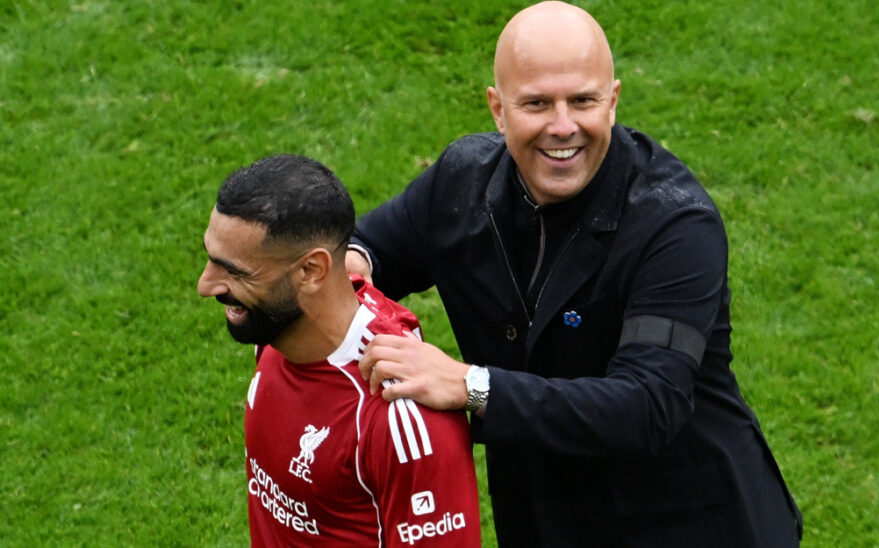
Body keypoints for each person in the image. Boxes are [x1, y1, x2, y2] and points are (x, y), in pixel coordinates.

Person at [348, 2, 803, 547]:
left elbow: (648, 405)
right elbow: (366, 248)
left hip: (689, 525)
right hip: (545, 522)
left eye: (583, 101)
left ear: (613, 101)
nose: (562, 127)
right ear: (498, 109)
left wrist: (470, 386)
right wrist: (348, 274)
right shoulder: (460, 182)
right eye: (537, 103)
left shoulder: (675, 225)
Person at [196, 154, 481, 547]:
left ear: (311, 271)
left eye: (235, 271)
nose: (205, 285)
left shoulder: (398, 415)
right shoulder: (279, 328)